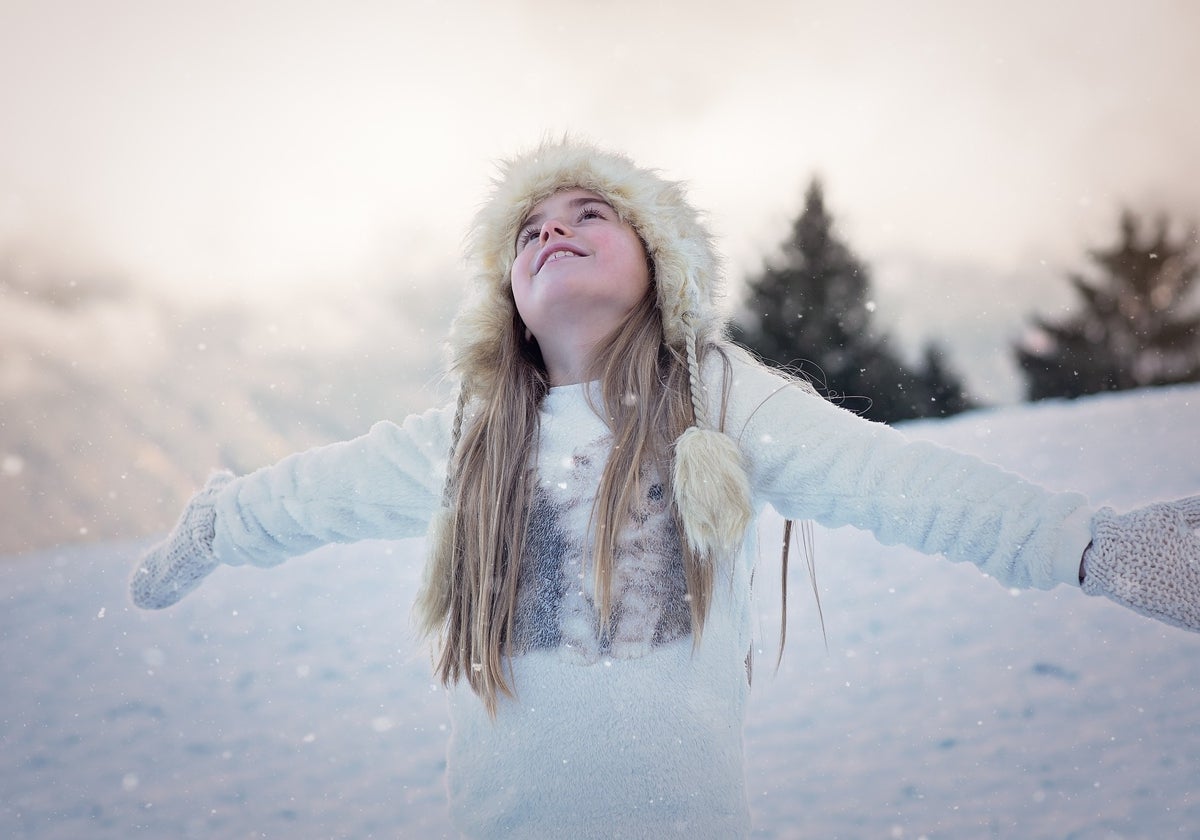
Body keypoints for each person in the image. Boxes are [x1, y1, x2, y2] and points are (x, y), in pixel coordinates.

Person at [130, 139, 1200, 839]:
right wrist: (222, 521)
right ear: (506, 296)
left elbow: (896, 480)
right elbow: (321, 492)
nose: (553, 228)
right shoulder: (473, 435)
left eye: (590, 213)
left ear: (660, 265)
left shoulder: (720, 401)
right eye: (529, 230)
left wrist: (1089, 542)